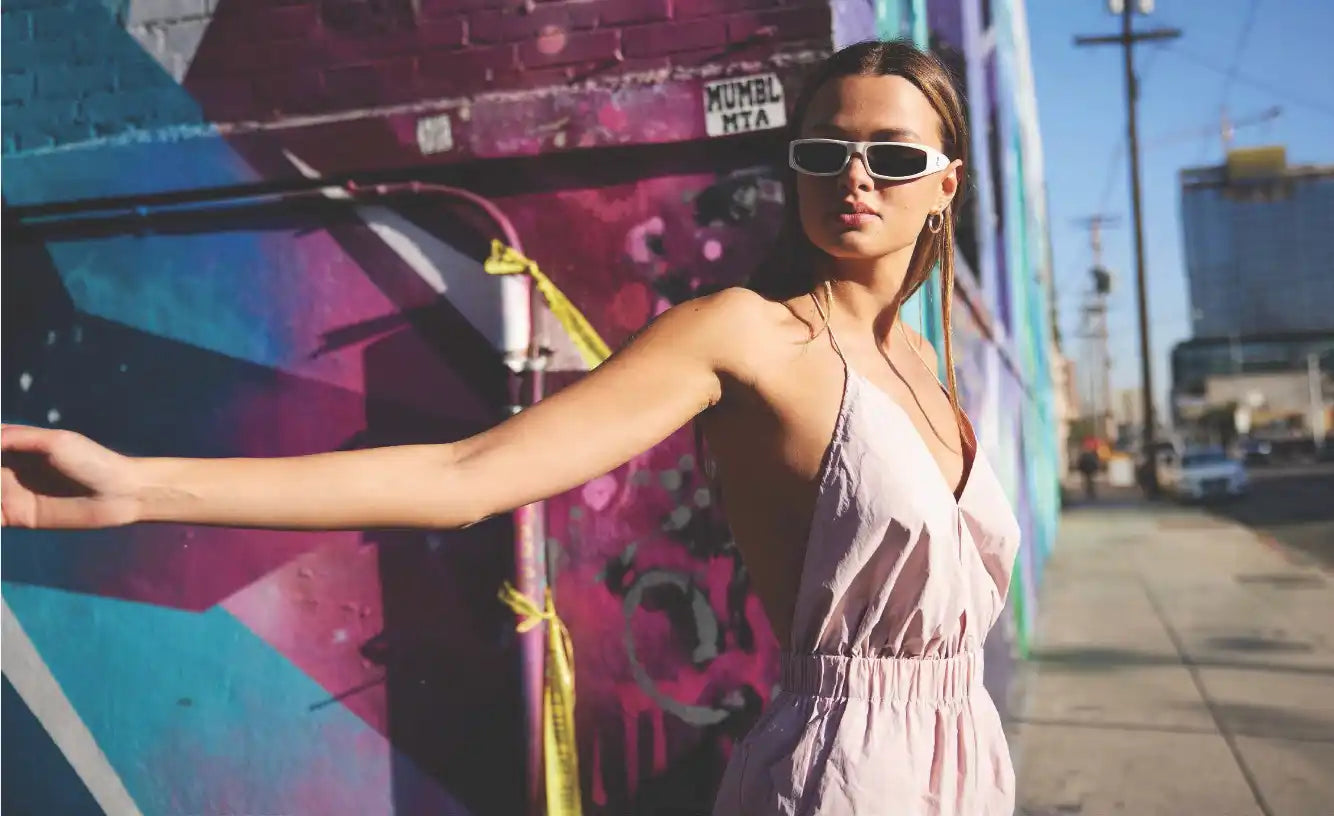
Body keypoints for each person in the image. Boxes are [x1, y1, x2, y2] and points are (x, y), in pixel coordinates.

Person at [1, 40, 1019, 816]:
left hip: (967, 758)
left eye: (889, 154)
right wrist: (138, 487)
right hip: (847, 777)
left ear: (945, 184)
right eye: (823, 149)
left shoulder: (924, 364)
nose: (853, 175)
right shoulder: (748, 337)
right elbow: (468, 471)